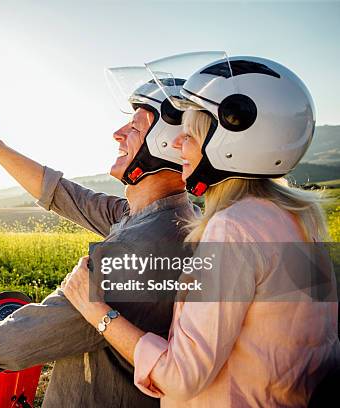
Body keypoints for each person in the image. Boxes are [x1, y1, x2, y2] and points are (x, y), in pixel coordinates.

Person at [61, 55, 340, 407]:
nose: (178, 146)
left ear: (232, 145)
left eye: (190, 134)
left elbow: (179, 377)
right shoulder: (300, 218)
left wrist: (95, 311)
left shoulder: (234, 228)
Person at [0, 75, 199, 407]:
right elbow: (63, 194)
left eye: (134, 127)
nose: (117, 134)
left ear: (167, 142)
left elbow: (24, 339)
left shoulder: (138, 247)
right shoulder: (162, 218)